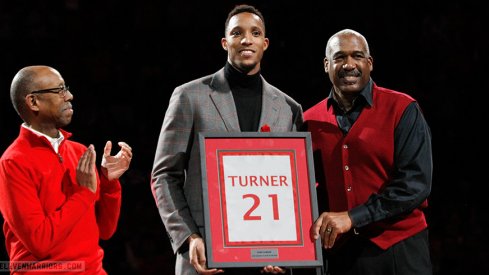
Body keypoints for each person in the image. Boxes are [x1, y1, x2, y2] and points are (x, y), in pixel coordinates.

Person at [151, 4, 303, 275]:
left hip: (266, 261)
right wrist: (188, 238)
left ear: (265, 43)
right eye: (237, 33)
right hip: (206, 257)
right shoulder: (190, 96)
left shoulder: (290, 108)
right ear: (225, 42)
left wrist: (287, 251)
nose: (247, 39)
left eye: (255, 33)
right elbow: (163, 176)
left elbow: (293, 189)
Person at [304, 29, 433, 275]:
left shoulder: (403, 108)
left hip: (399, 249)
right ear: (326, 65)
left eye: (358, 56)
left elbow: (415, 183)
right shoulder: (308, 121)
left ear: (369, 63)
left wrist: (353, 217)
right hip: (340, 254)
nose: (349, 64)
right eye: (340, 57)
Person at [0, 65, 133, 274]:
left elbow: (105, 230)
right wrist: (84, 194)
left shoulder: (80, 152)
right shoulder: (14, 162)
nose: (69, 96)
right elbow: (39, 242)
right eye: (59, 90)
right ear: (33, 102)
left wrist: (108, 183)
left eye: (66, 88)